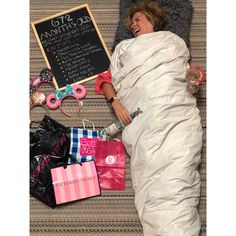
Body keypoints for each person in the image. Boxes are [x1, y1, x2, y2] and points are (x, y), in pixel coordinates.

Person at [95, 1, 203, 235]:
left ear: (153, 20)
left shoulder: (173, 43)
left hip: (175, 114)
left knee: (178, 170)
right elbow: (104, 81)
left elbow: (186, 73)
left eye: (138, 19)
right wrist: (117, 103)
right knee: (150, 172)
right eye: (132, 22)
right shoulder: (124, 48)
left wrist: (194, 78)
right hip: (142, 120)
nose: (133, 25)